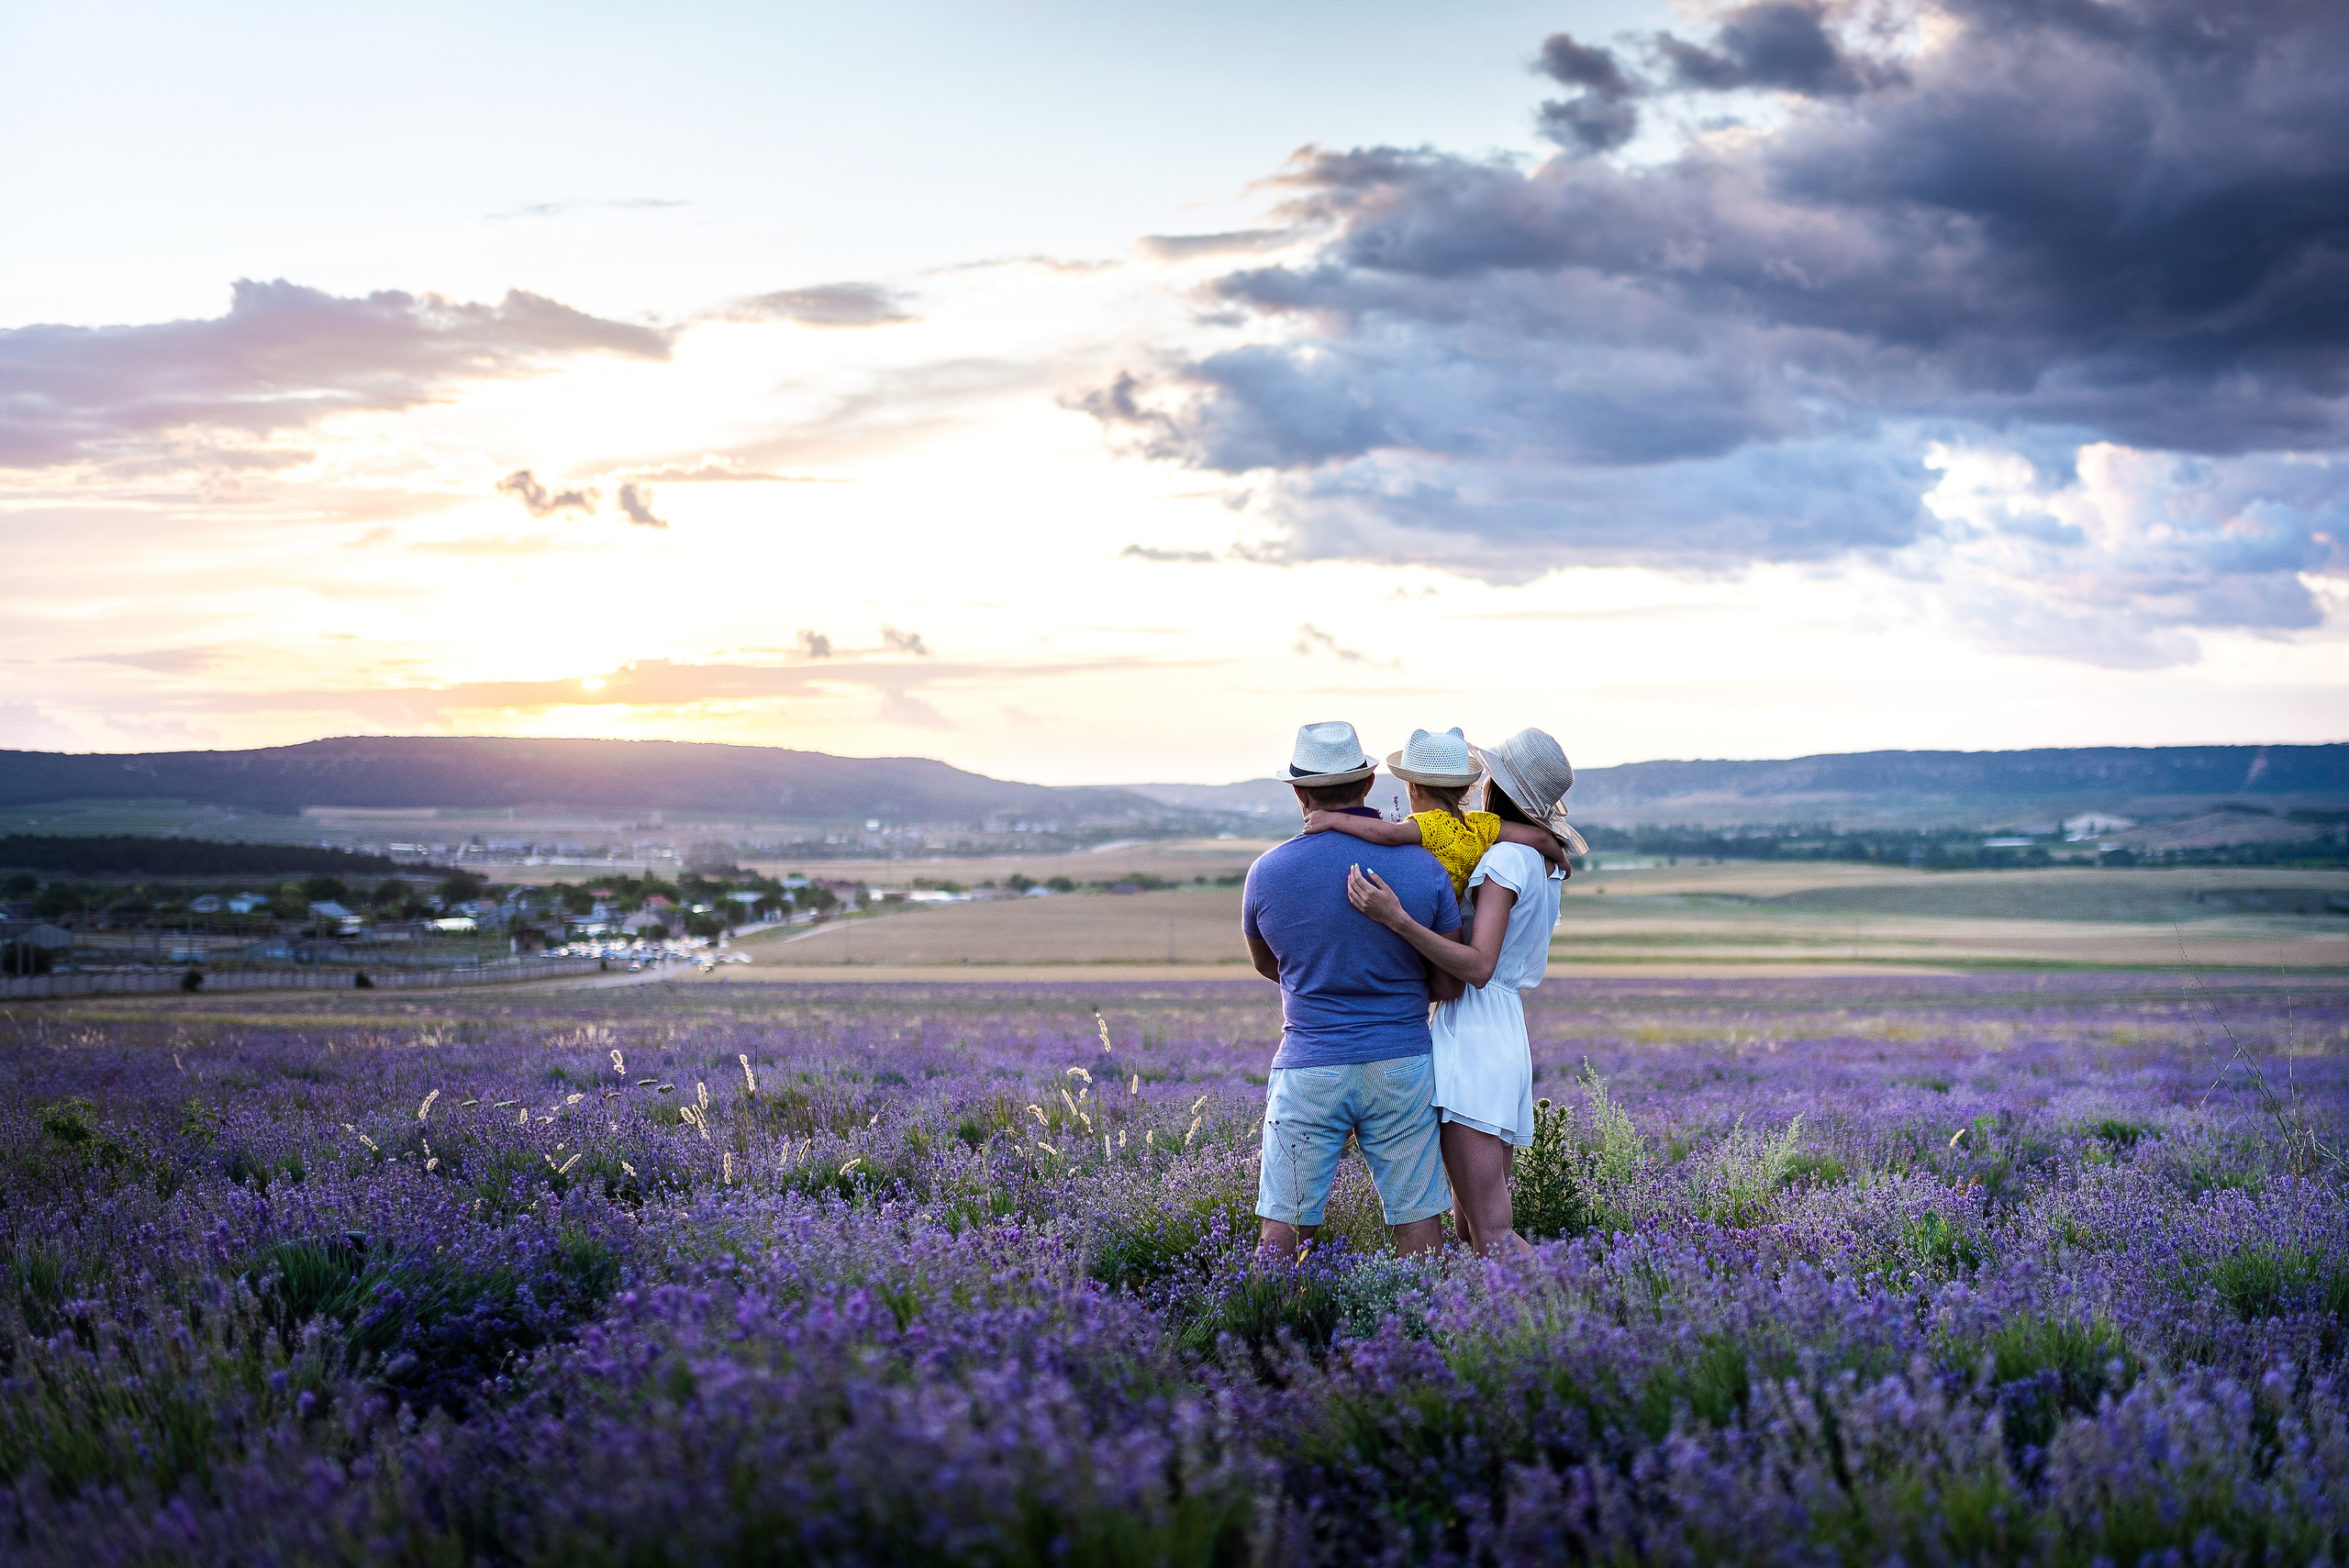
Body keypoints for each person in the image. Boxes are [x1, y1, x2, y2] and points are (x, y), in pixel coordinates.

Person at [1344, 728, 1581, 1255]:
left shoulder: (1502, 863)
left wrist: (1397, 919)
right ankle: (1499, 1332)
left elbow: (1477, 966)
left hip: (1475, 1033)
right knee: (1472, 1226)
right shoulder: (1537, 860)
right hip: (1502, 1031)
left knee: (1491, 1230)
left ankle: (1565, 1320)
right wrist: (1545, 837)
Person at [1242, 720, 1462, 1260]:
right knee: (1418, 1222)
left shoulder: (1267, 872)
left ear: (1299, 792)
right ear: (1367, 786)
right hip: (1404, 1062)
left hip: (1309, 1061)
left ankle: (1265, 1334)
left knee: (1283, 1230)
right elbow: (1447, 981)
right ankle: (1419, 1333)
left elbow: (1269, 966)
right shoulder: (1424, 865)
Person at [1300, 727, 1573, 894]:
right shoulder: (1481, 824)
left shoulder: (1428, 826)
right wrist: (1561, 861)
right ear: (1466, 790)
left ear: (1413, 788)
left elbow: (1386, 834)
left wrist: (1333, 819)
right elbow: (1539, 838)